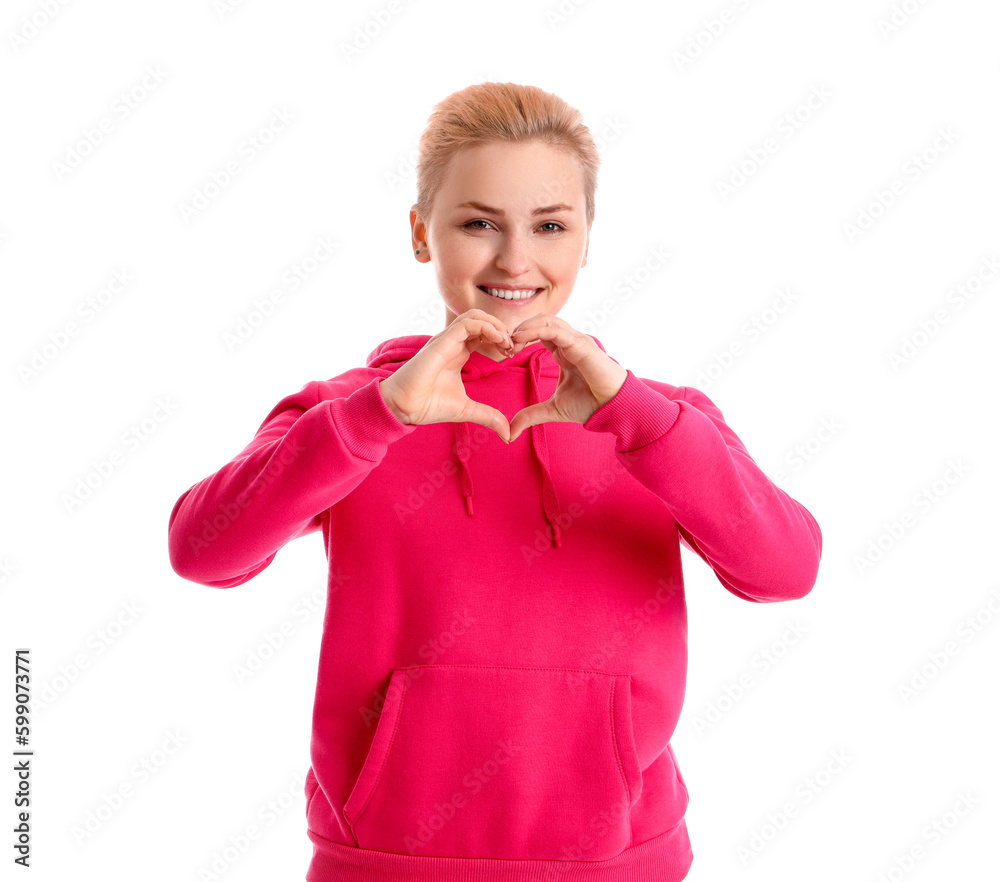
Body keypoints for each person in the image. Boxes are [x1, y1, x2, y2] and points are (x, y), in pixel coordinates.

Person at [168, 81, 822, 882]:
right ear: (422, 233)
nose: (515, 259)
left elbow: (787, 569)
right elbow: (201, 550)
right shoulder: (348, 412)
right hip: (385, 863)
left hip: (620, 863)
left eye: (550, 225)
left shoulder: (661, 421)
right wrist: (377, 418)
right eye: (479, 223)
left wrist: (639, 422)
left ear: (587, 240)